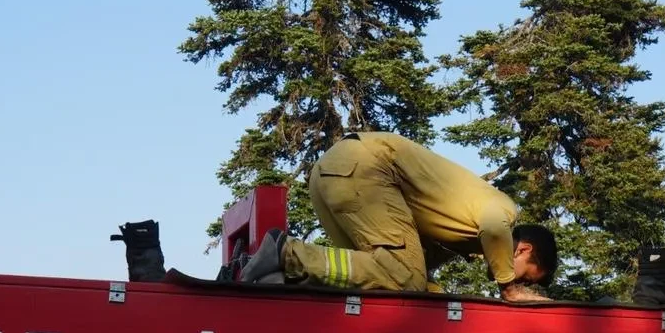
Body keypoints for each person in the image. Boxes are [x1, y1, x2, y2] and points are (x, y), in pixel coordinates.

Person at [238, 131, 557, 303]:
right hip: (366, 171)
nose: (519, 283)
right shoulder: (503, 210)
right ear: (523, 250)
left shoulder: (456, 233)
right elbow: (493, 227)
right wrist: (508, 288)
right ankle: (285, 253)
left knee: (377, 279)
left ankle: (276, 275)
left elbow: (417, 272)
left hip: (330, 175)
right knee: (404, 278)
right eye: (526, 277)